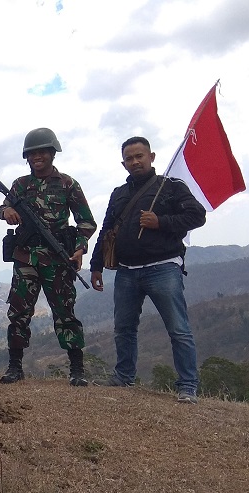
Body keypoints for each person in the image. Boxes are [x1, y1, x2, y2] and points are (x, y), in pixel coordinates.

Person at [89, 136, 206, 403]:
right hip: (126, 271)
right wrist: (96, 266)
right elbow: (107, 230)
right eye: (129, 158)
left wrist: (160, 221)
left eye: (139, 156)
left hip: (163, 268)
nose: (135, 161)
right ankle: (124, 377)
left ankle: (188, 385)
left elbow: (197, 216)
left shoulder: (172, 187)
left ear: (152, 157)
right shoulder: (119, 193)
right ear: (123, 163)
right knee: (124, 328)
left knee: (178, 328)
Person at [0, 128, 97, 386]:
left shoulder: (67, 184)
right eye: (32, 153)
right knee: (19, 312)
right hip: (26, 258)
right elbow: (1, 207)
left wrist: (80, 247)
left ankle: (77, 369)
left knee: (65, 312)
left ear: (52, 153)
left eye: (42, 152)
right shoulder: (20, 185)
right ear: (26, 157)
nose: (37, 157)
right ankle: (15, 367)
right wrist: (7, 210)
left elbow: (86, 222)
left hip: (57, 259)